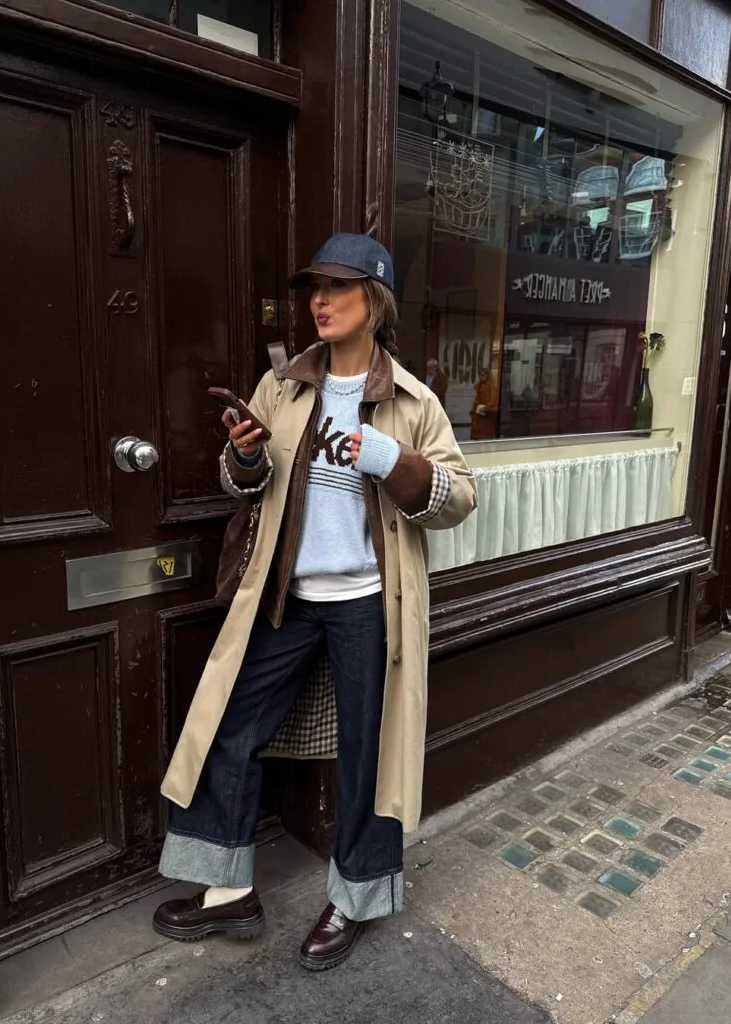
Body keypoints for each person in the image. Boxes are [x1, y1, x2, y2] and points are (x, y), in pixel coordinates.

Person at [153, 233, 477, 971]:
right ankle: (226, 889)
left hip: (371, 604)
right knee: (228, 726)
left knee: (369, 754)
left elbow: (459, 497)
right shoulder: (283, 386)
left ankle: (357, 895)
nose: (319, 302)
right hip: (286, 596)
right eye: (313, 288)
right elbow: (250, 484)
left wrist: (391, 458)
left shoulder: (414, 401)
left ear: (377, 300)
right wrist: (242, 457)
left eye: (337, 287)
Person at [470, 367, 499, 440]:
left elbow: (493, 399)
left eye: (483, 375)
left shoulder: (491, 387)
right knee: (477, 434)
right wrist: (474, 409)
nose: (481, 377)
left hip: (487, 414)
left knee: (486, 434)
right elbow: (477, 399)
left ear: (487, 375)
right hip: (479, 414)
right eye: (480, 375)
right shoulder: (478, 385)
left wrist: (487, 407)